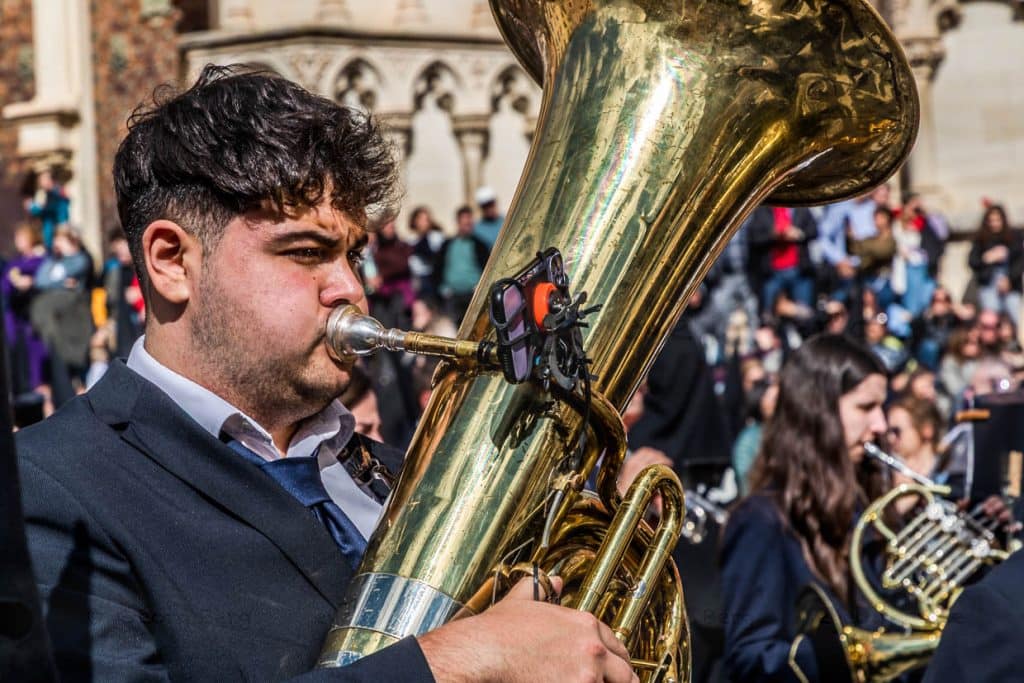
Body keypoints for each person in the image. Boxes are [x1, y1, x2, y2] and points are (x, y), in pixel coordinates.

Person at [15, 66, 636, 683]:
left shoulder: (400, 474)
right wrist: (461, 664)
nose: (351, 289)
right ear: (172, 261)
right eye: (307, 253)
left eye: (353, 255)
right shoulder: (46, 489)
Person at [720, 333, 891, 682]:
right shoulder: (760, 521)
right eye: (865, 407)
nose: (881, 425)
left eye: (881, 408)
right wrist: (844, 656)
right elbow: (750, 655)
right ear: (819, 410)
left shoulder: (864, 507)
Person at [969, 204, 1023, 327]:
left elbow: (1020, 262)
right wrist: (987, 258)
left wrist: (1009, 279)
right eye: (991, 220)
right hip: (989, 284)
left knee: (1014, 316)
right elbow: (972, 261)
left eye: (997, 220)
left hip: (1011, 285)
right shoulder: (981, 239)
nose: (995, 224)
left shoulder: (1014, 237)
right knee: (991, 318)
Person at [434, 205, 490, 324]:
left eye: (470, 223)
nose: (467, 226)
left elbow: (488, 268)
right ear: (458, 223)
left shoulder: (480, 245)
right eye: (464, 223)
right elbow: (437, 268)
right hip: (452, 296)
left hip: (473, 295)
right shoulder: (447, 244)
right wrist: (442, 288)